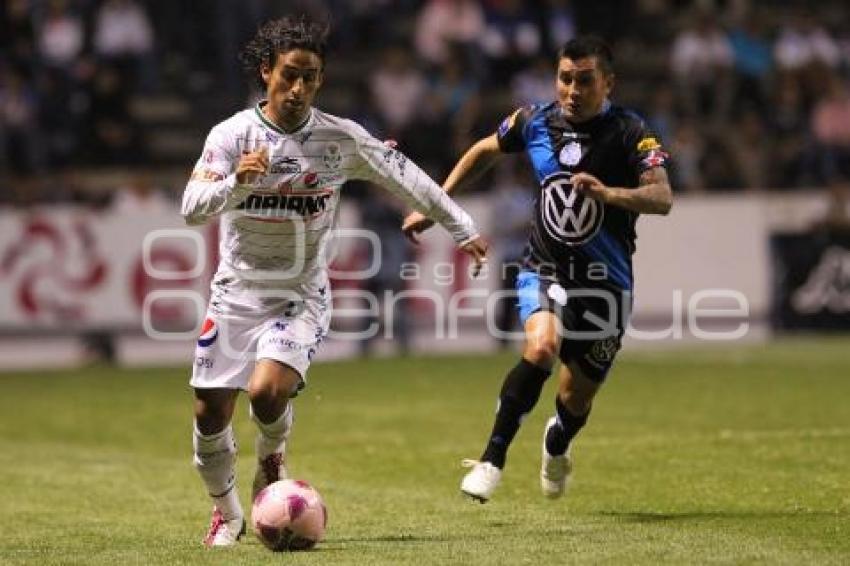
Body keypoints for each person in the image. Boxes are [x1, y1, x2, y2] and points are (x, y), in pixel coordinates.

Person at [182, 16, 488, 546]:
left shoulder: (339, 139)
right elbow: (191, 209)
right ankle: (227, 514)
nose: (299, 88)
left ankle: (271, 460)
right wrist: (238, 182)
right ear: (266, 72)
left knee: (267, 392)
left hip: (300, 295)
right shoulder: (232, 136)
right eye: (289, 75)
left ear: (321, 80)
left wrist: (463, 228)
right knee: (210, 414)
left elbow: (405, 176)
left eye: (310, 77)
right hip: (236, 292)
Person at [402, 36, 672, 502]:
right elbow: (484, 150)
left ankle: (558, 440)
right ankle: (491, 459)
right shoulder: (534, 121)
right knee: (541, 346)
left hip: (606, 286)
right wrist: (438, 205)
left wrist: (609, 194)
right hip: (543, 268)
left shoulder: (632, 132)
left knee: (576, 398)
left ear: (608, 82)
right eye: (565, 78)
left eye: (585, 80)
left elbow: (662, 197)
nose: (572, 90)